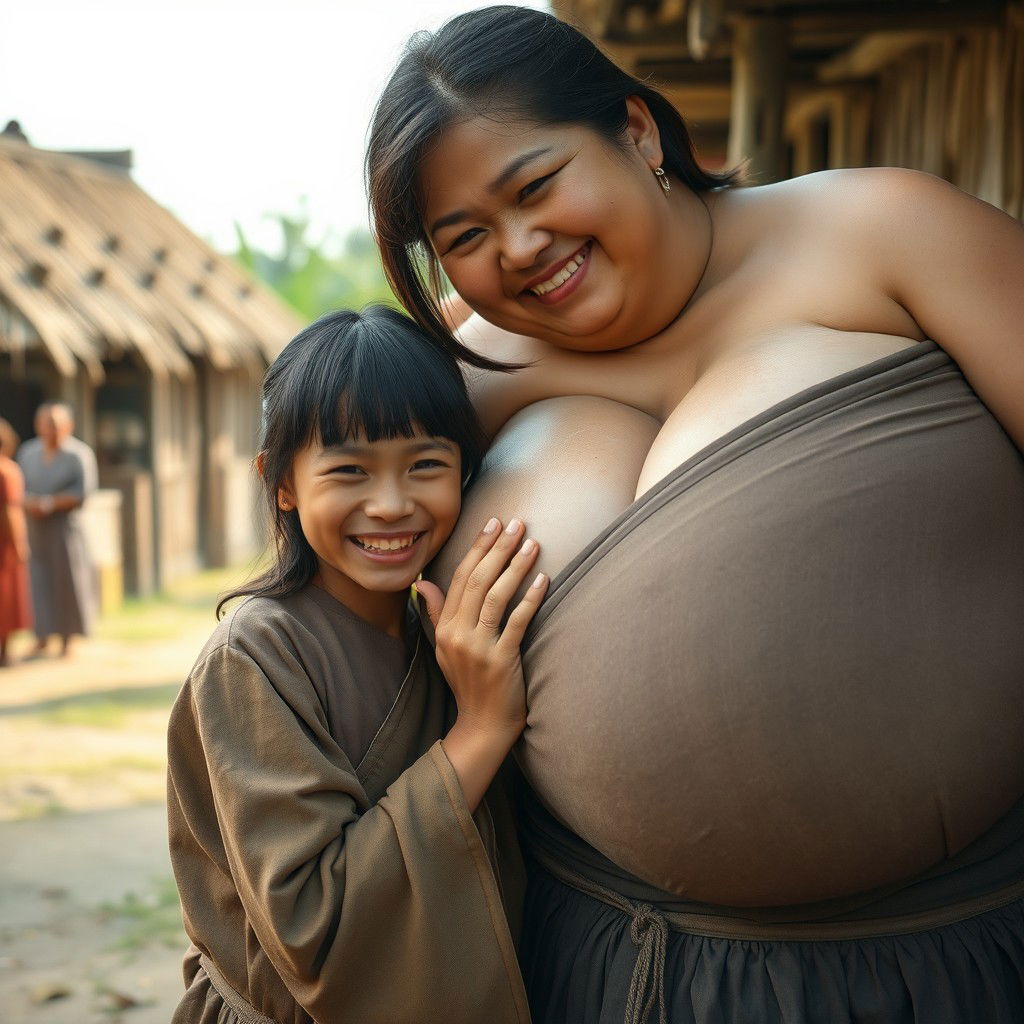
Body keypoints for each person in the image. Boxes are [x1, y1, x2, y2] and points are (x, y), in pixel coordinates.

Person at [366, 7, 1024, 1023]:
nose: (521, 246)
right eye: (465, 238)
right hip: (593, 970)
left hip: (941, 965)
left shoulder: (884, 231)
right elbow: (327, 583)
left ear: (635, 130)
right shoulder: (462, 370)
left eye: (534, 186)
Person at [166, 306, 548, 1024]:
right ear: (280, 483)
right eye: (349, 471)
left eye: (426, 465)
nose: (391, 504)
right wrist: (481, 731)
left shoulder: (437, 633)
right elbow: (315, 926)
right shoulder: (254, 656)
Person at [17, 402, 98, 658]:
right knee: (37, 581)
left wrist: (50, 503)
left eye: (54, 424)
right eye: (44, 423)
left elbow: (83, 492)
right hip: (35, 529)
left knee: (68, 581)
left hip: (65, 529)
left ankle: (67, 637)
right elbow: (19, 488)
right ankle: (41, 635)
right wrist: (29, 503)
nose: (49, 429)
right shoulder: (28, 452)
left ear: (67, 426)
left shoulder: (78, 454)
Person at [0, 417, 32, 666]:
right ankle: (5, 652)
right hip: (4, 544)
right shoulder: (7, 470)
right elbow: (10, 511)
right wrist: (20, 544)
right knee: (6, 597)